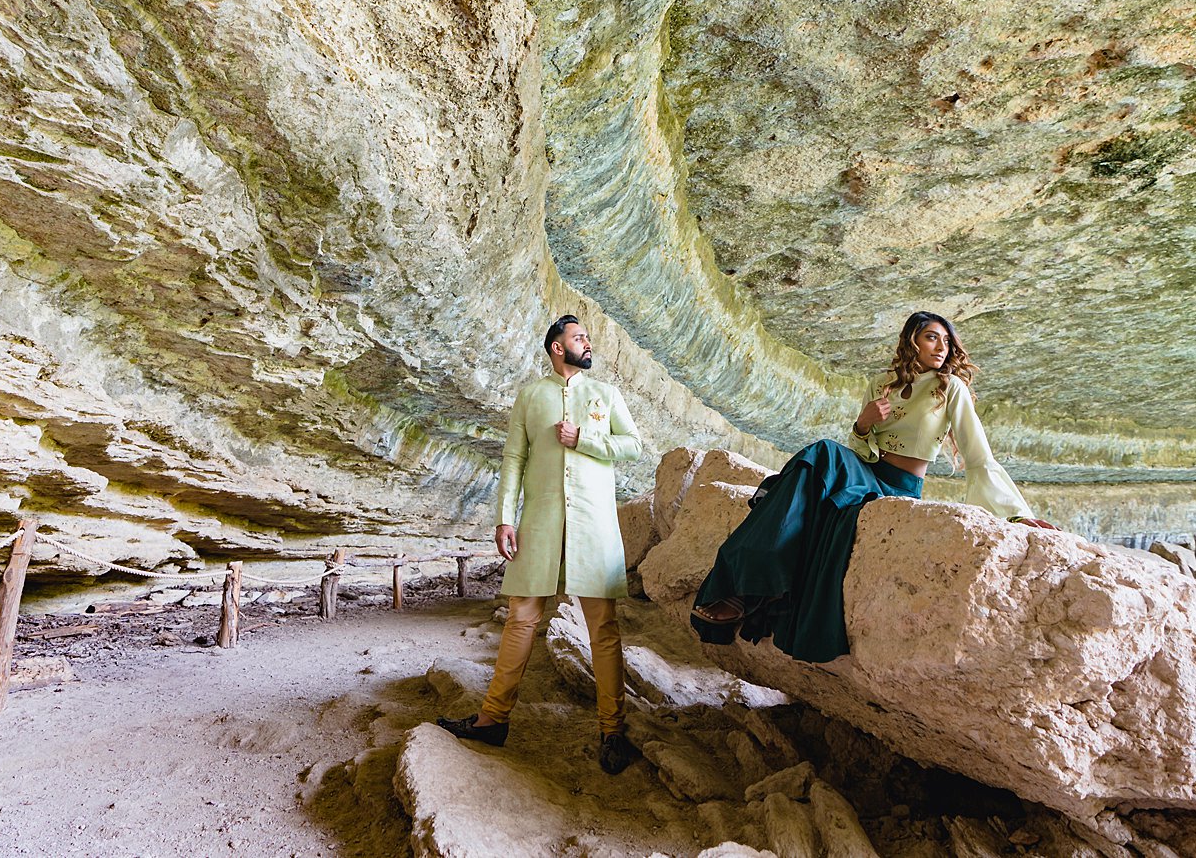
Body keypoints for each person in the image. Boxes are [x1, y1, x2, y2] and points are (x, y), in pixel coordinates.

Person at [688, 311, 1053, 663]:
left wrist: (1015, 515)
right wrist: (862, 424)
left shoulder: (949, 388)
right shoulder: (880, 385)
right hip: (867, 469)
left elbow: (978, 457)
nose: (941, 347)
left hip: (899, 487)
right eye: (931, 337)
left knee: (822, 466)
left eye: (946, 341)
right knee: (821, 453)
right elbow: (863, 447)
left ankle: (750, 583)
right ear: (912, 341)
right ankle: (744, 580)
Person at [438, 315, 645, 774]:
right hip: (541, 521)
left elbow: (633, 446)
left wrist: (585, 438)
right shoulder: (531, 397)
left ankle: (612, 730)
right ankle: (493, 718)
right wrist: (503, 519)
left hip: (593, 525)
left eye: (586, 337)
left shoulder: (605, 395)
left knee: (603, 629)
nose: (587, 343)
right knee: (522, 617)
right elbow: (513, 458)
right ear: (557, 347)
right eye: (579, 337)